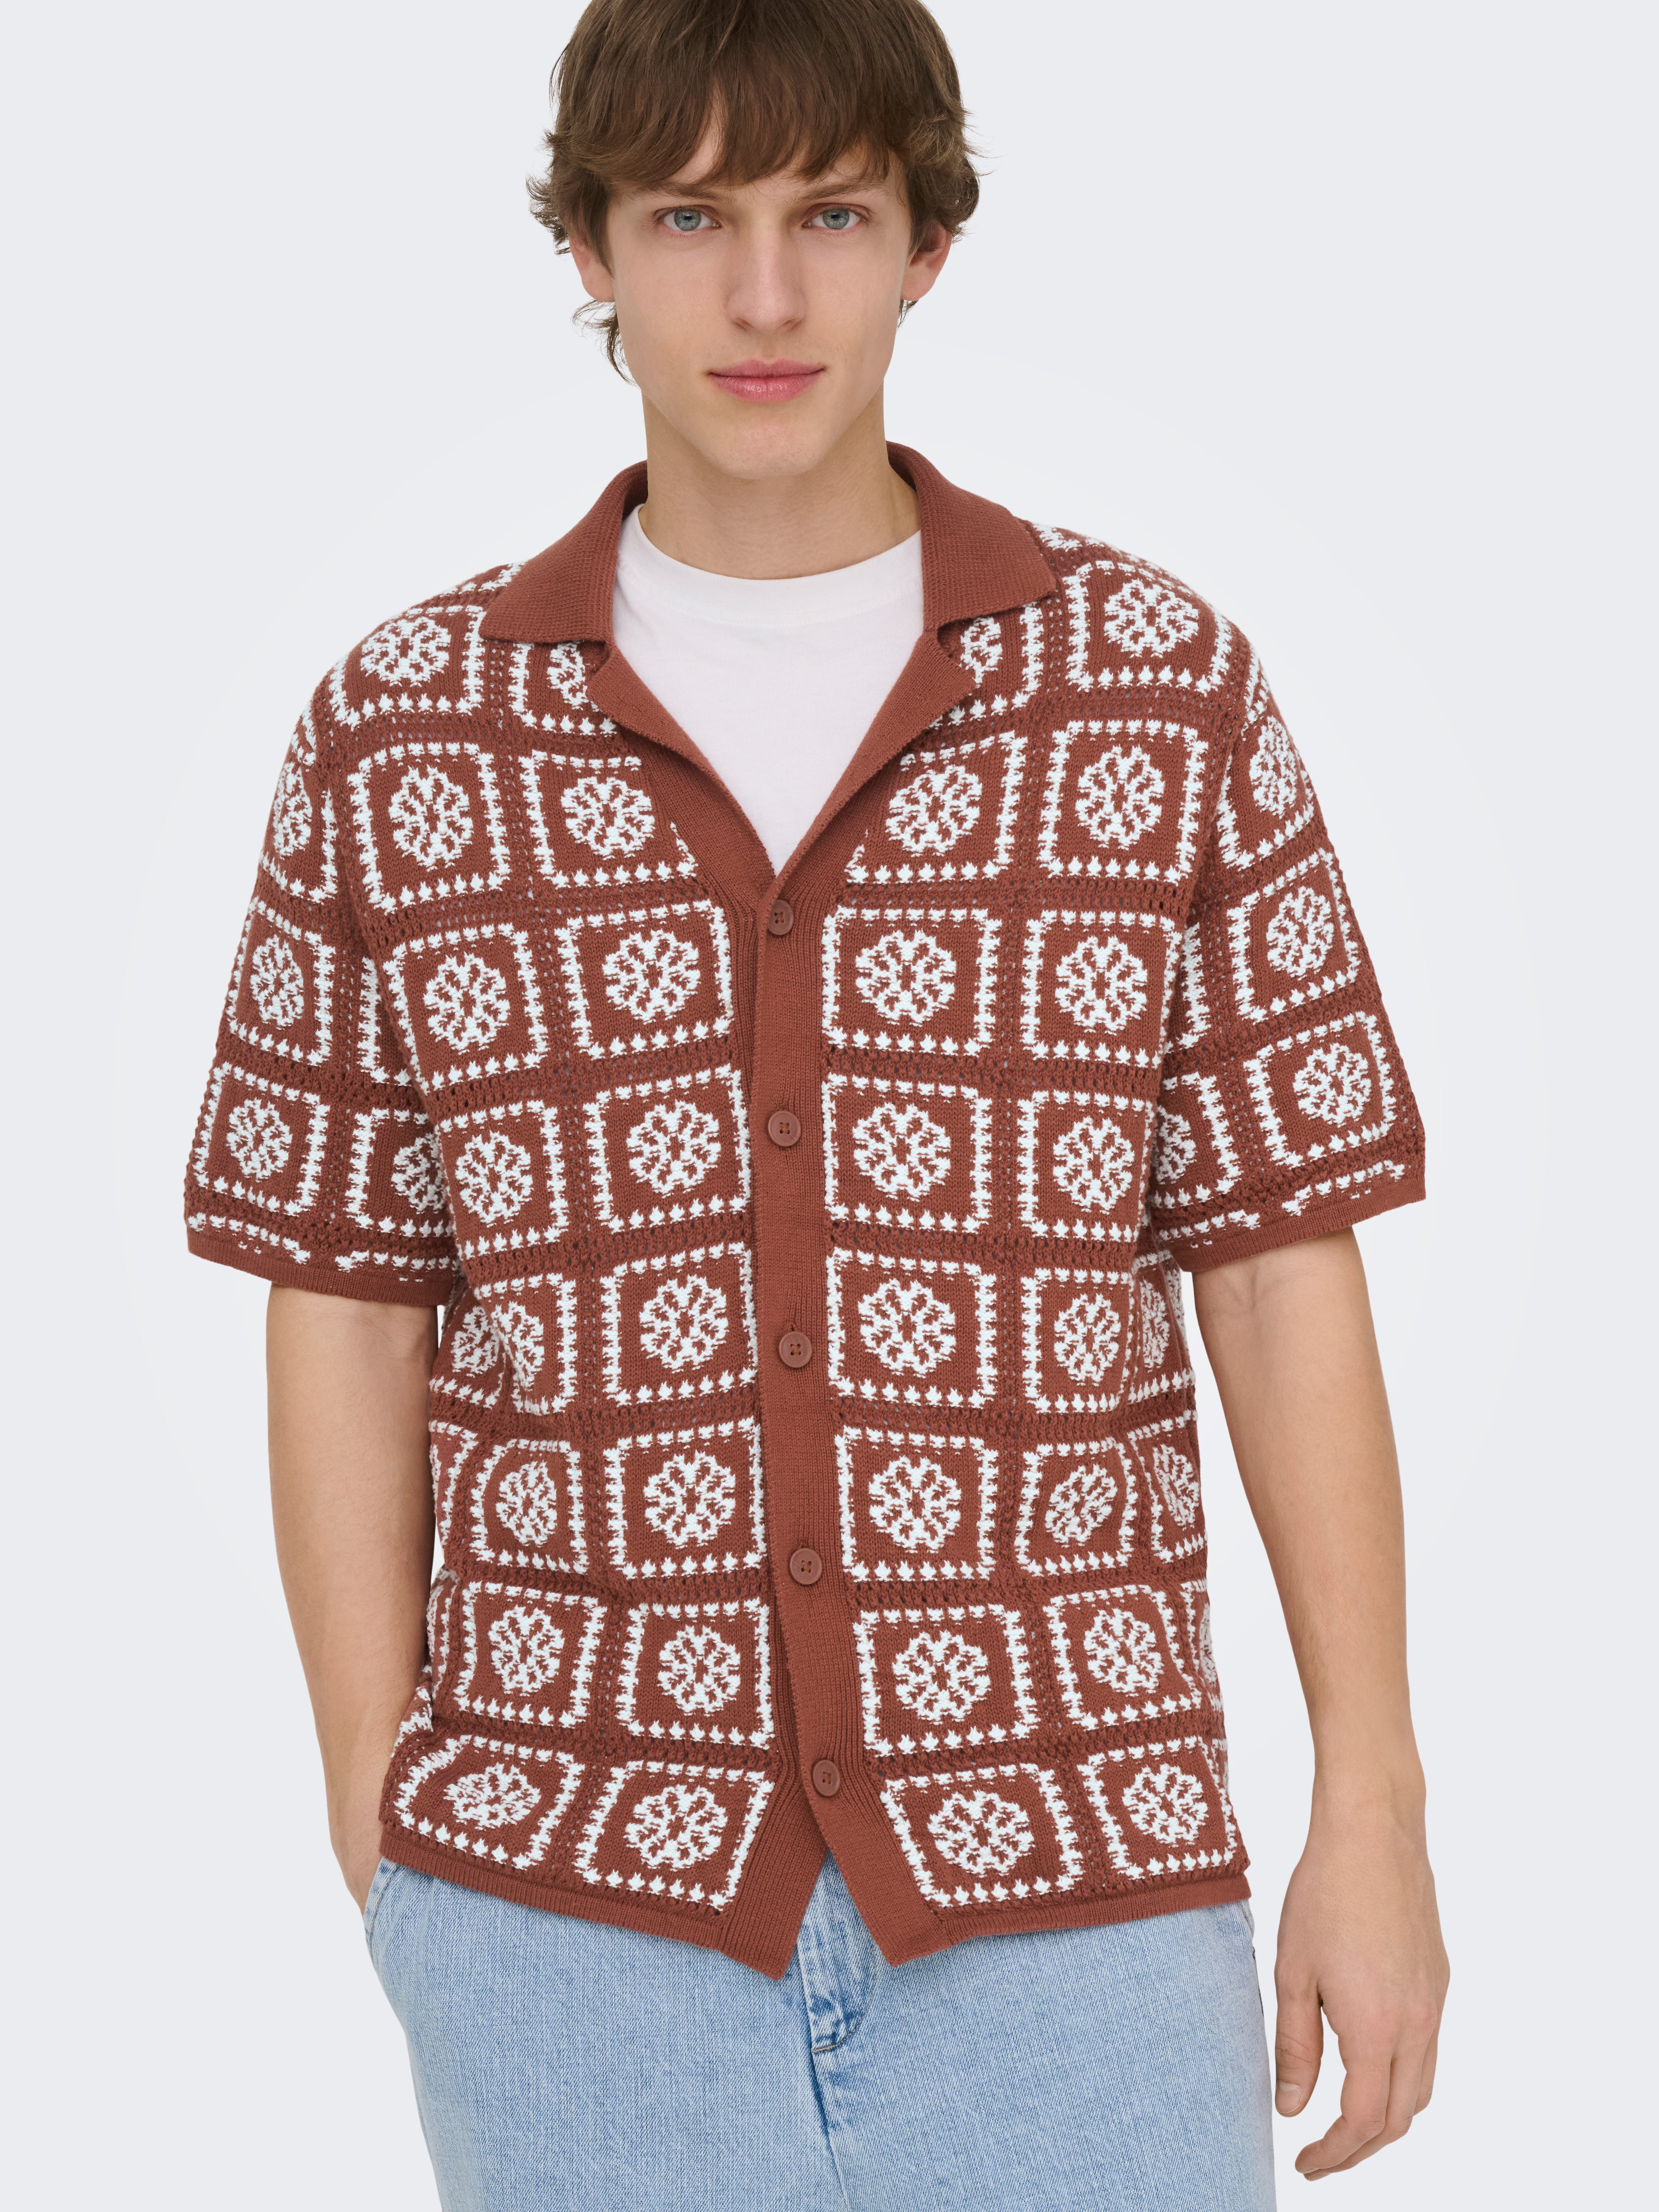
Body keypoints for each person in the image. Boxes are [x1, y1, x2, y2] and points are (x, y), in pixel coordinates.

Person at [182, 1, 1448, 2204]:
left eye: (830, 216)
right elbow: (348, 1298)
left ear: (926, 244)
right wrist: (388, 1840)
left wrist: (1375, 1798)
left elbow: (1273, 1266)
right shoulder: (402, 737)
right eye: (690, 218)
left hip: (1075, 1880)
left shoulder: (1152, 692)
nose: (763, 297)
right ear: (588, 245)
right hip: (569, 1904)